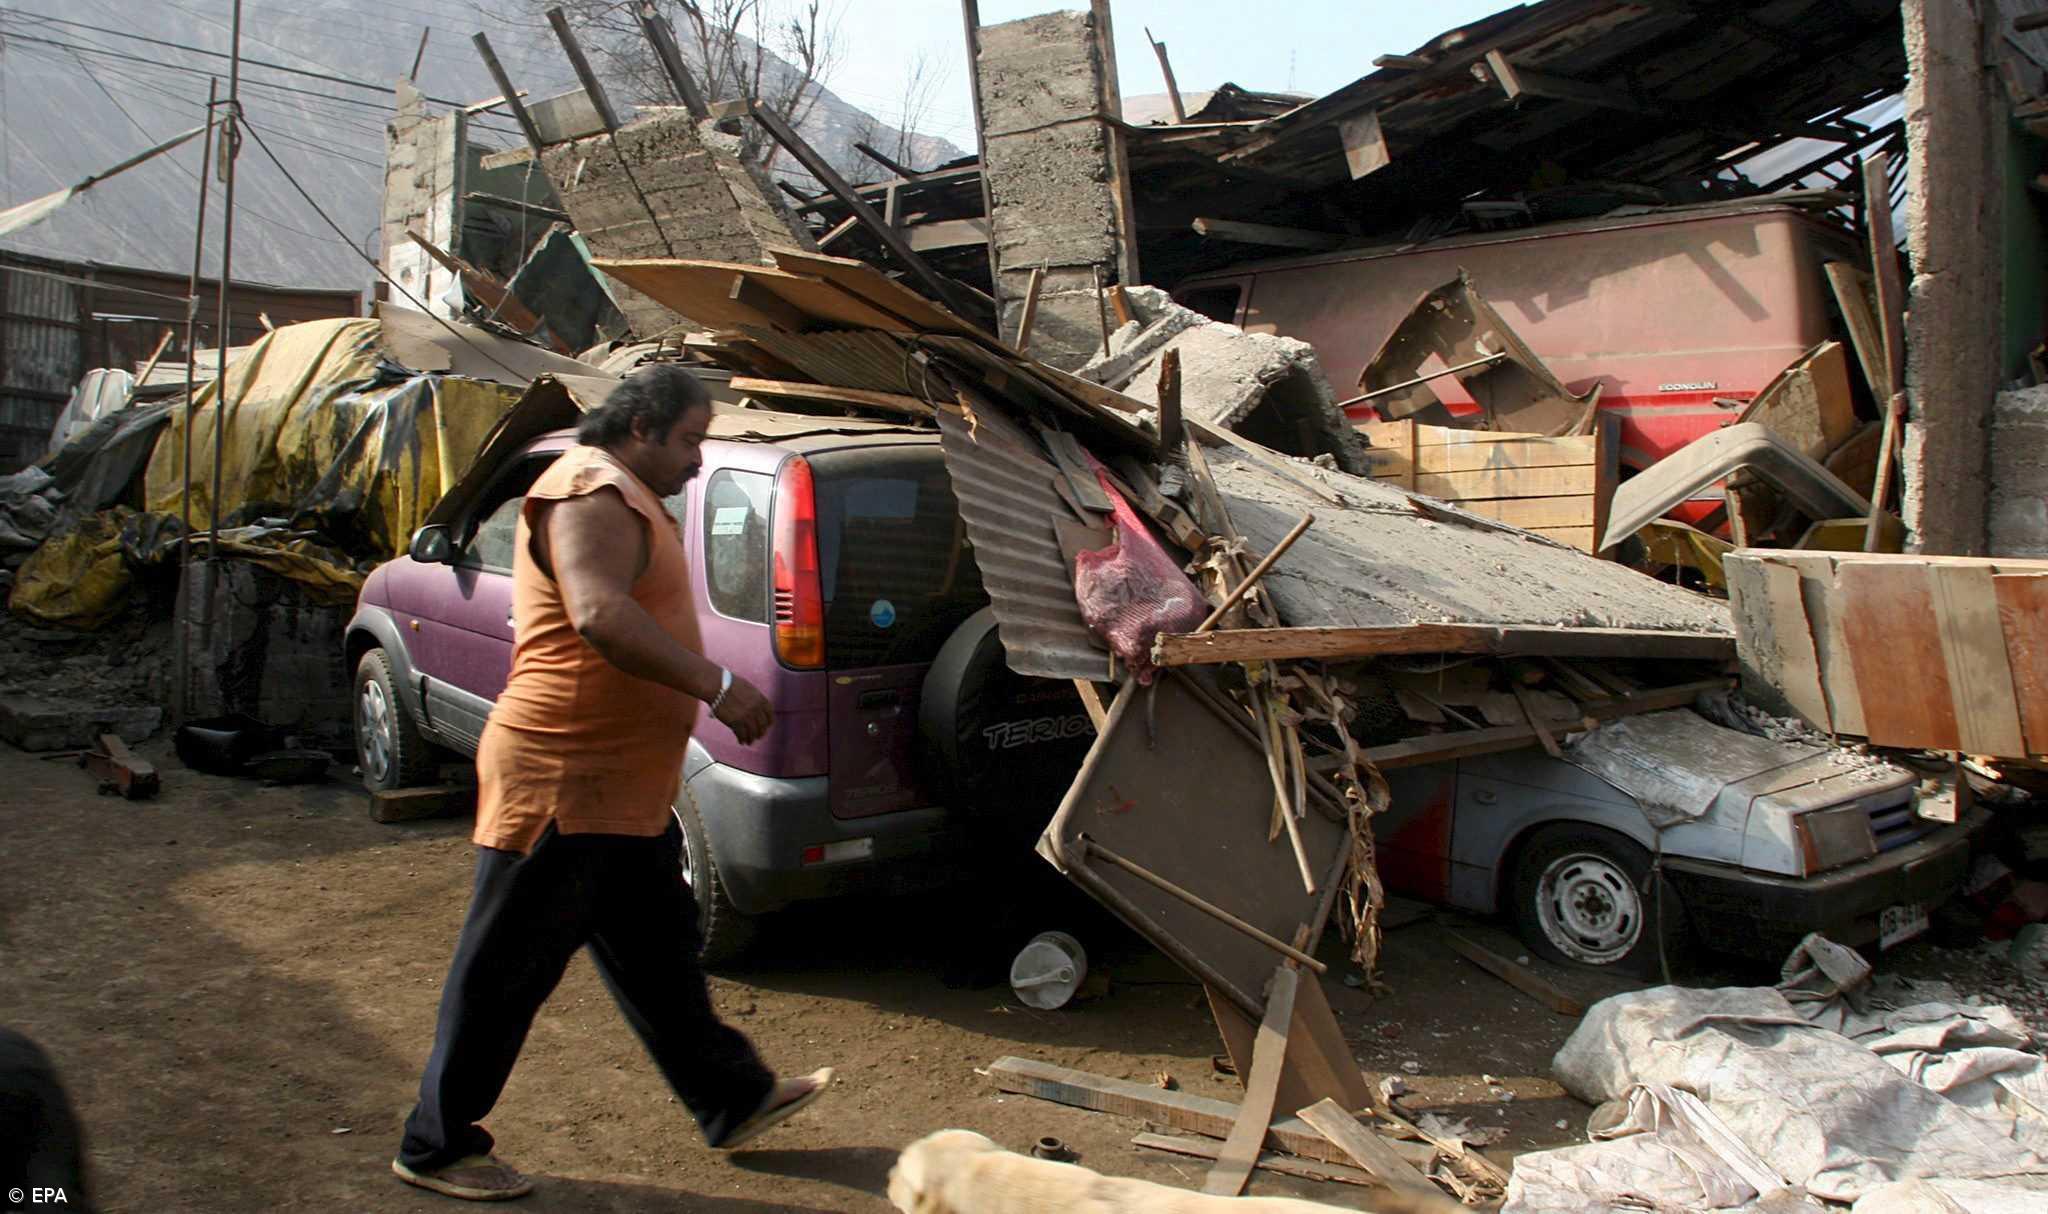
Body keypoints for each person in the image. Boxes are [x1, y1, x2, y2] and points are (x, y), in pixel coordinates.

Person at [393, 364, 831, 1202]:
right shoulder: (590, 490)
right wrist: (716, 684)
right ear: (640, 429)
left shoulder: (627, 492)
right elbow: (597, 614)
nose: (698, 461)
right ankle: (434, 1146)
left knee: (660, 957)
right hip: (564, 780)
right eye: (690, 440)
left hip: (622, 787)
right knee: (504, 969)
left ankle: (732, 1099)